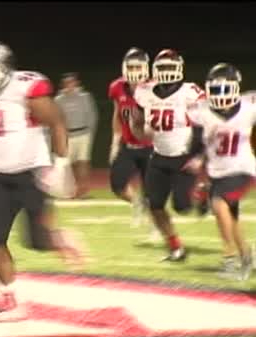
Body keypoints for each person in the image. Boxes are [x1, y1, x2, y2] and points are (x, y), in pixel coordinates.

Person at [0, 39, 83, 321]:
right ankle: (12, 302)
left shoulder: (24, 88)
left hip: (31, 173)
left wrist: (61, 166)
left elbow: (57, 122)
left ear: (3, 67)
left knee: (37, 241)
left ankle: (60, 239)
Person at [131, 49, 205, 262]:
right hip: (159, 156)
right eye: (162, 67)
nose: (167, 71)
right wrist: (138, 129)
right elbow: (137, 120)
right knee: (154, 205)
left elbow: (203, 123)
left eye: (171, 67)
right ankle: (176, 248)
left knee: (182, 207)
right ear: (155, 70)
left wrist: (198, 154)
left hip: (183, 157)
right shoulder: (145, 91)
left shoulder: (190, 91)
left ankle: (202, 192)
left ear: (180, 69)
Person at [186, 64, 255, 280]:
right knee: (230, 216)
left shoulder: (249, 105)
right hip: (218, 172)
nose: (222, 96)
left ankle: (230, 259)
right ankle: (246, 256)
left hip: (242, 169)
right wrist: (198, 159)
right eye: (216, 90)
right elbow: (197, 144)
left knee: (218, 203)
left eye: (226, 90)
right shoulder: (201, 111)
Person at [108, 48, 155, 227]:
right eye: (131, 67)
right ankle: (137, 203)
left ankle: (156, 228)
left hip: (151, 147)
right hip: (128, 146)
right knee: (117, 185)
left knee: (151, 192)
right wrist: (115, 141)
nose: (134, 71)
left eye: (138, 67)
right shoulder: (117, 87)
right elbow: (117, 114)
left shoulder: (155, 88)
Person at [55, 72, 97, 198]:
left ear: (76, 83)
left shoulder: (85, 96)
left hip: (84, 134)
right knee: (69, 165)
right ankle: (71, 191)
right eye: (67, 83)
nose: (70, 85)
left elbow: (91, 116)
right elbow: (57, 119)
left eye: (72, 82)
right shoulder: (58, 100)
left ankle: (83, 191)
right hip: (67, 136)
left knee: (83, 162)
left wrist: (90, 133)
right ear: (63, 85)